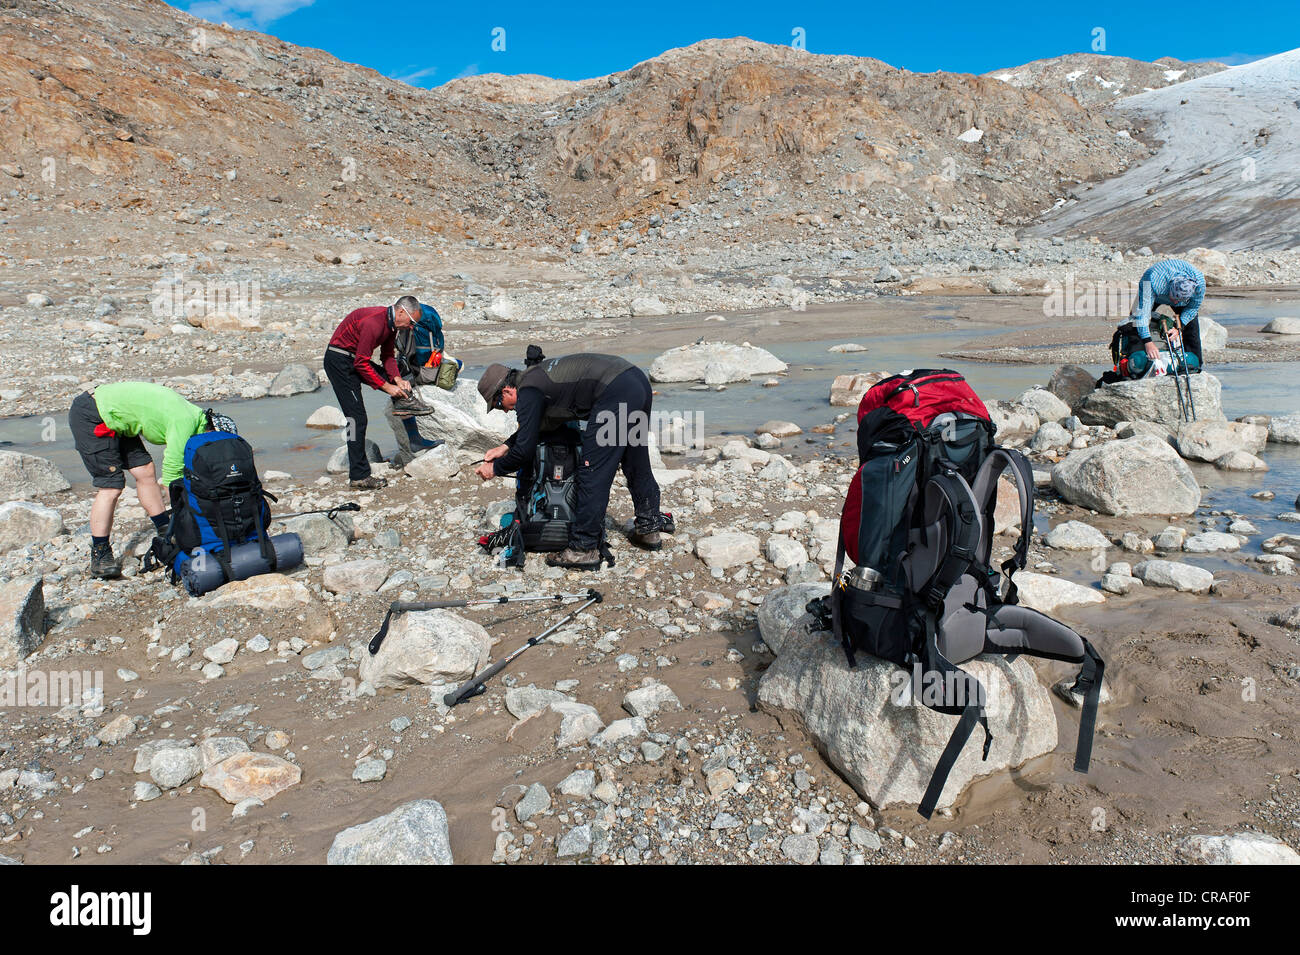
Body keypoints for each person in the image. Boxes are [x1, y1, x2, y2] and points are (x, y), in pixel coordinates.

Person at [474, 354, 665, 569]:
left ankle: (583, 549)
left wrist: (495, 469)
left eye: (499, 404)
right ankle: (649, 528)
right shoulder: (534, 379)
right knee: (635, 459)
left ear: (507, 390)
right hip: (635, 381)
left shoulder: (528, 392)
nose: (506, 410)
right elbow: (539, 427)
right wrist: (504, 447)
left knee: (592, 471)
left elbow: (525, 452)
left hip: (613, 392)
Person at [68, 382, 231, 579]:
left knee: (145, 470)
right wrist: (187, 511)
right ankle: (100, 553)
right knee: (111, 486)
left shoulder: (196, 417)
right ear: (211, 431)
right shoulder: (185, 422)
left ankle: (164, 528)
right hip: (93, 413)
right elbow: (172, 471)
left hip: (119, 416)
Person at [324, 296, 420, 489]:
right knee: (356, 418)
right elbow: (361, 363)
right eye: (412, 322)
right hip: (340, 362)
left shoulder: (392, 325)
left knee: (398, 376)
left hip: (354, 359)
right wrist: (387, 387)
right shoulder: (374, 323)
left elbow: (387, 356)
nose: (411, 327)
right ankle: (359, 476)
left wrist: (397, 380)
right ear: (401, 312)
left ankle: (403, 404)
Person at [384, 302, 449, 468]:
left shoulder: (405, 322)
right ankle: (415, 439)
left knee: (401, 388)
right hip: (424, 365)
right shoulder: (421, 317)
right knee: (400, 386)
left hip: (417, 366)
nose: (409, 326)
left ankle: (414, 438)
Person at [1128, 258, 1206, 369]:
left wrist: (1178, 327)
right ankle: (1135, 362)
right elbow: (1143, 314)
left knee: (1191, 328)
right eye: (1174, 298)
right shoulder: (1151, 280)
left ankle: (1194, 364)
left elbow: (1193, 308)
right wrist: (1148, 342)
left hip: (1179, 296)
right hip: (1156, 292)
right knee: (1134, 323)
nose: (1174, 303)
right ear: (1170, 287)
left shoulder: (1199, 285)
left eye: (1178, 301)